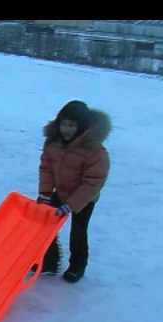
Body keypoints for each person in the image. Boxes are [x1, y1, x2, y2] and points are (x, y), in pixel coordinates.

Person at [37, 100, 111, 283]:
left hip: (84, 198)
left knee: (78, 232)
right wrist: (45, 193)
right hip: (61, 191)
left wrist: (71, 205)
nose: (66, 129)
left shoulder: (95, 151)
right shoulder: (53, 143)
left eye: (71, 125)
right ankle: (49, 261)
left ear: (82, 126)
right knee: (45, 225)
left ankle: (77, 266)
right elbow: (46, 167)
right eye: (63, 124)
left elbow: (93, 182)